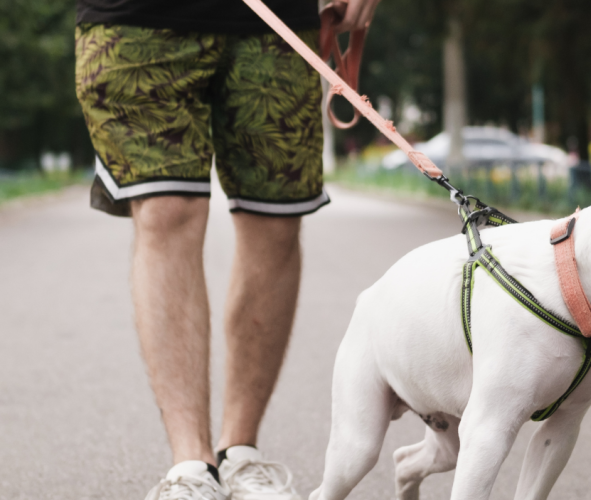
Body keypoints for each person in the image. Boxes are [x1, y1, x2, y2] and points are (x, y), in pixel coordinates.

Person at [74, 0, 378, 498]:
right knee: (166, 211)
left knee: (275, 220)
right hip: (134, 18)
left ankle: (240, 453)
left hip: (277, 19)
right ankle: (190, 465)